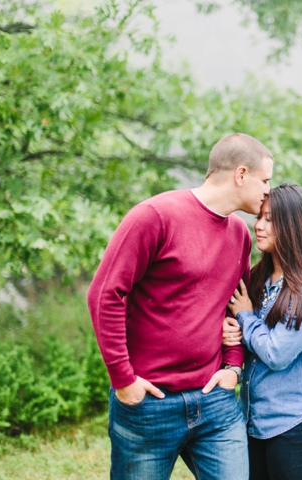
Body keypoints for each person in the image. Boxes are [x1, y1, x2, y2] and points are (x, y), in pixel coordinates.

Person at [87, 133, 273, 480]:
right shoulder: (155, 216)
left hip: (214, 401)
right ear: (241, 174)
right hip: (149, 404)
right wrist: (123, 379)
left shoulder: (239, 234)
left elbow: (236, 306)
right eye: (265, 180)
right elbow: (104, 294)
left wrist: (232, 367)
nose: (267, 191)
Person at [222, 184, 302, 480]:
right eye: (260, 217)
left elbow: (275, 353)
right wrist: (231, 332)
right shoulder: (259, 277)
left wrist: (246, 317)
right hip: (255, 419)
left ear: (295, 227)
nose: (258, 226)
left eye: (270, 219)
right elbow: (252, 342)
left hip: (298, 423)